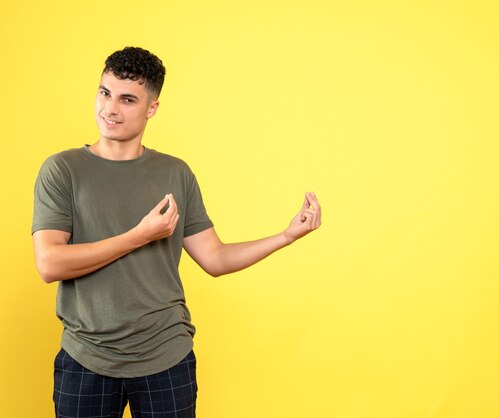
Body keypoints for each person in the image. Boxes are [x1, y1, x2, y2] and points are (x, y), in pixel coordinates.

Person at [32, 46, 321, 418]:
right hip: (86, 357)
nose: (110, 109)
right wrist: (139, 235)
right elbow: (50, 264)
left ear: (151, 108)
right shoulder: (63, 170)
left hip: (166, 355)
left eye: (127, 99)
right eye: (104, 93)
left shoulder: (175, 173)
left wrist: (285, 236)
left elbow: (215, 259)